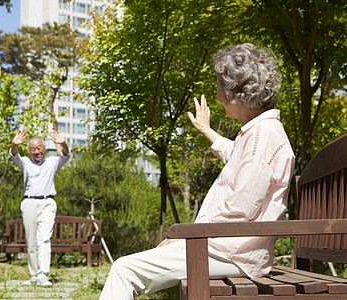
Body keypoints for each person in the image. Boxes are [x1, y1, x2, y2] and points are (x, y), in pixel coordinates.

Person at [99, 43, 295, 299]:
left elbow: (240, 210)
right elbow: (236, 155)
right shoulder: (260, 133)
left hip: (231, 253)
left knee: (124, 270)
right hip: (230, 248)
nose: (217, 96)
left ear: (237, 94)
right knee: (129, 268)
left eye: (219, 88)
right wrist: (206, 130)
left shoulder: (261, 137)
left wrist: (187, 238)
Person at [9, 130, 70, 287]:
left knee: (43, 239)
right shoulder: (26, 163)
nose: (37, 151)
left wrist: (62, 143)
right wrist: (14, 145)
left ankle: (43, 274)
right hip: (29, 203)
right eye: (33, 149)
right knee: (31, 242)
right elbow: (13, 156)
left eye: (39, 147)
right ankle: (34, 274)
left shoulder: (52, 162)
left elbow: (65, 156)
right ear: (30, 151)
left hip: (47, 203)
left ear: (44, 148)